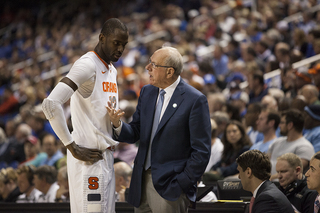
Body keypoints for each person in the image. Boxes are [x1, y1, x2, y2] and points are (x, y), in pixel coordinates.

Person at [108, 46, 211, 212]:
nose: (147, 68)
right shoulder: (147, 92)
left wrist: (181, 183)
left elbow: (201, 151)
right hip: (140, 183)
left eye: (153, 65)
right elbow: (136, 131)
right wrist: (117, 125)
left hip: (170, 187)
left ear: (169, 72)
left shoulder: (195, 100)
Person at [41, 18, 129, 212]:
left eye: (124, 44)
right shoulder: (87, 65)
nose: (121, 49)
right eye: (116, 43)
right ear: (102, 38)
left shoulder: (112, 70)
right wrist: (71, 146)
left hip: (104, 158)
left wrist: (115, 125)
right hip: (88, 158)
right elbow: (50, 103)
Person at [268, 109, 315, 179]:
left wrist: (269, 179)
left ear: (290, 125)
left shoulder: (305, 147)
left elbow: (294, 172)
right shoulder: (277, 142)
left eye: (282, 122)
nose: (279, 125)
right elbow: (265, 163)